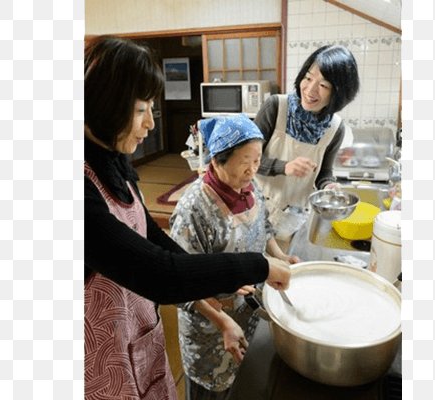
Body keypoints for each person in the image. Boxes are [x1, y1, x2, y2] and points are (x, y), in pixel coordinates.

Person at [83, 36, 291, 400]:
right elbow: (161, 274)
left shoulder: (113, 163)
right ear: (106, 103)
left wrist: (222, 274)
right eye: (140, 109)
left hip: (136, 332)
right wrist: (258, 266)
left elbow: (156, 241)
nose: (150, 123)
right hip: (100, 356)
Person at [168, 114, 301, 400]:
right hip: (209, 330)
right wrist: (221, 321)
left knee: (240, 386)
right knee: (210, 390)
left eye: (257, 160)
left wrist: (281, 257)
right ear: (217, 160)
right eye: (245, 162)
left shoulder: (250, 189)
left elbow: (264, 229)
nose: (253, 170)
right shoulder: (194, 209)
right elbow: (180, 284)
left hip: (247, 313)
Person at [254, 44, 360, 240]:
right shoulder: (276, 107)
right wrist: (284, 167)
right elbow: (247, 162)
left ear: (338, 93)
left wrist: (328, 186)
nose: (310, 90)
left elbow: (324, 173)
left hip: (293, 217)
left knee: (287, 262)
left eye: (323, 85)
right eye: (308, 78)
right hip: (255, 210)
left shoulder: (335, 128)